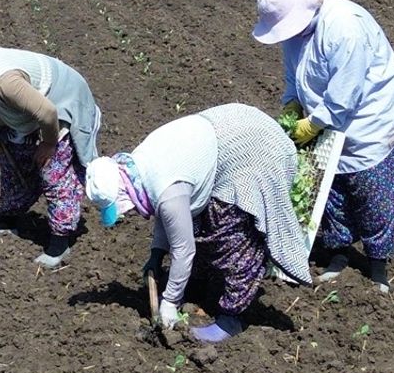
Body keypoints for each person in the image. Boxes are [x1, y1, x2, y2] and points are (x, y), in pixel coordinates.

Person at [252, 0, 394, 293]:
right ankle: (338, 255)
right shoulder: (294, 32)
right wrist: (291, 105)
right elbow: (294, 77)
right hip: (329, 122)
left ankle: (377, 268)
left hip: (372, 122)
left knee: (373, 195)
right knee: (332, 191)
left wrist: (312, 124)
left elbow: (344, 96)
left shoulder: (344, 27)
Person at [85, 104, 311, 343]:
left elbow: (183, 247)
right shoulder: (136, 167)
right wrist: (157, 253)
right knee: (203, 224)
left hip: (253, 149)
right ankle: (200, 285)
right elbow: (163, 208)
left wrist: (170, 302)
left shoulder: (167, 190)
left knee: (233, 239)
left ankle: (231, 318)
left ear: (123, 193)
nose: (126, 213)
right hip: (226, 135)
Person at [0, 36, 102, 269]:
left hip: (61, 102)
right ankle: (8, 218)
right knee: (13, 164)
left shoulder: (5, 83)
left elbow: (47, 112)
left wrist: (49, 143)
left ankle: (60, 242)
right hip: (29, 115)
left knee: (53, 172)